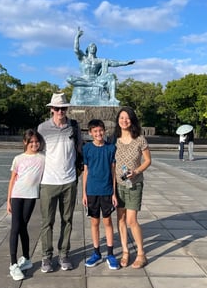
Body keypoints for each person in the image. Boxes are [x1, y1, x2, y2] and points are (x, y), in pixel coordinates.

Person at [37, 92, 82, 273]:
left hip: (69, 180)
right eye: (57, 108)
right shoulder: (42, 128)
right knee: (47, 221)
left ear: (67, 109)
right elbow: (36, 151)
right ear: (51, 110)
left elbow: (79, 149)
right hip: (48, 181)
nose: (60, 111)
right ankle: (46, 257)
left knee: (67, 220)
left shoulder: (74, 126)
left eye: (63, 108)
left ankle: (64, 253)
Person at [113, 106, 151, 269]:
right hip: (118, 184)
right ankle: (125, 251)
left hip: (134, 184)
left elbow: (148, 160)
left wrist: (135, 171)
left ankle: (141, 253)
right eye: (121, 117)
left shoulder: (140, 139)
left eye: (127, 118)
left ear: (132, 120)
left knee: (131, 220)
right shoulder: (114, 139)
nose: (124, 120)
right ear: (118, 120)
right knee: (120, 219)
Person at [7, 129, 45, 281]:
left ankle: (27, 259)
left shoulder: (43, 158)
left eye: (36, 141)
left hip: (31, 196)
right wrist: (8, 200)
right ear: (25, 143)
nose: (35, 144)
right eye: (31, 142)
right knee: (15, 228)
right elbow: (12, 179)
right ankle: (13, 263)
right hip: (17, 195)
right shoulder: (18, 159)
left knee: (23, 226)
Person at [82, 119, 119, 270]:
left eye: (100, 130)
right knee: (94, 222)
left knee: (107, 222)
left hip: (106, 190)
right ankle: (96, 252)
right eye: (95, 131)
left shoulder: (111, 148)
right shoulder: (87, 148)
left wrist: (114, 193)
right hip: (92, 191)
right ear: (90, 133)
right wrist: (84, 192)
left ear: (104, 131)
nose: (98, 133)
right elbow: (86, 171)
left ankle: (110, 253)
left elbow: (113, 171)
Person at [66, 28, 135, 105]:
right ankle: (92, 85)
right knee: (69, 78)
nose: (93, 48)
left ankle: (113, 99)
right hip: (84, 79)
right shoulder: (83, 58)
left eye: (94, 47)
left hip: (96, 80)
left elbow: (113, 63)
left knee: (110, 76)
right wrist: (77, 37)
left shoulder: (100, 60)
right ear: (88, 49)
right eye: (91, 46)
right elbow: (76, 49)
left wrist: (126, 63)